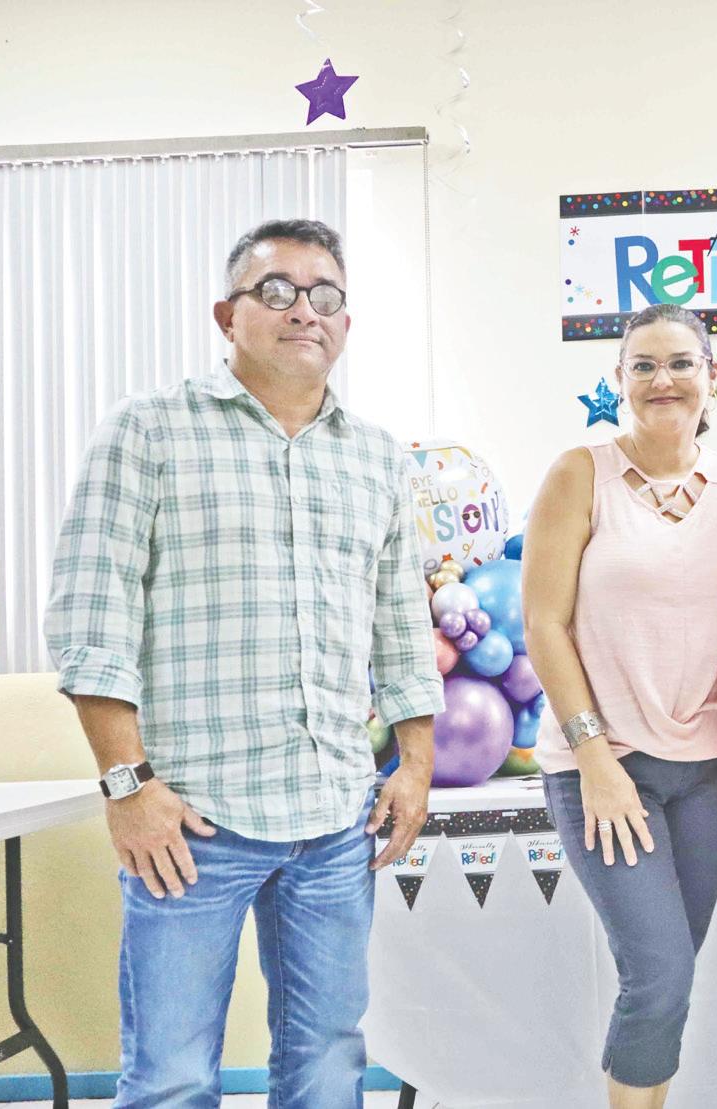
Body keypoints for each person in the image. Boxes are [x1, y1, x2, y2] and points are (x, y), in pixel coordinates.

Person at [44, 218, 443, 1107]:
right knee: (173, 1073)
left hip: (335, 817)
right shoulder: (148, 432)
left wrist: (415, 764)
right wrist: (127, 787)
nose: (305, 309)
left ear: (346, 323)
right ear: (228, 315)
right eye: (277, 290)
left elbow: (401, 625)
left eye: (325, 295)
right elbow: (90, 619)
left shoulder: (377, 458)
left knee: (327, 1060)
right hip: (191, 819)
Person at [522, 302, 717, 1108]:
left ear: (711, 377)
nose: (664, 379)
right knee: (658, 974)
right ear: (619, 379)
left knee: (671, 973)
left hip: (711, 769)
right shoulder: (579, 474)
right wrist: (595, 757)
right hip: (605, 763)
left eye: (681, 362)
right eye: (645, 365)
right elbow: (543, 623)